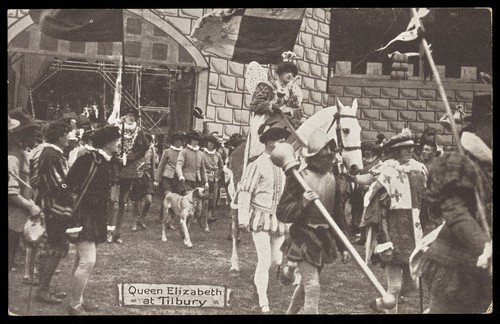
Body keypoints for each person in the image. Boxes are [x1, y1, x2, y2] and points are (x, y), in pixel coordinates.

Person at [414, 94, 492, 313]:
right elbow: (456, 213)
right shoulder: (459, 162)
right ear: (482, 126)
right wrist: (485, 246)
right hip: (455, 264)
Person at [276, 128, 350, 314]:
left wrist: (343, 246)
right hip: (303, 235)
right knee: (312, 285)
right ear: (314, 157)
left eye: (331, 156)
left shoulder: (334, 179)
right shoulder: (299, 178)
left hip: (324, 237)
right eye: (325, 156)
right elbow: (282, 213)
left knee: (305, 285)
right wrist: (303, 202)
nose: (330, 159)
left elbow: (338, 215)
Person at [362, 128, 428, 314]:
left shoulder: (418, 172)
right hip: (392, 234)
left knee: (413, 284)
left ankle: (379, 304)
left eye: (411, 148)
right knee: (395, 287)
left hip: (413, 234)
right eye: (405, 148)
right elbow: (379, 212)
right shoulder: (387, 175)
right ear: (396, 151)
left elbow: (423, 205)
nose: (410, 151)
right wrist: (384, 240)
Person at [65, 126, 121, 315]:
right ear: (107, 142)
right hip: (82, 215)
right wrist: (65, 203)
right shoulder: (88, 159)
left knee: (81, 259)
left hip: (96, 217)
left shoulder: (108, 162)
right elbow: (67, 183)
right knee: (88, 261)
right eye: (117, 140)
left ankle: (78, 300)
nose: (120, 143)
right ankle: (74, 305)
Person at [237, 127, 290, 313]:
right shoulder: (257, 164)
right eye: (279, 140)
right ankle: (263, 299)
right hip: (260, 217)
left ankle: (257, 280)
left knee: (277, 261)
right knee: (265, 260)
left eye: (283, 141)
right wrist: (242, 218)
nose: (282, 144)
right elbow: (245, 191)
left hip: (279, 219)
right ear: (268, 142)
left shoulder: (285, 165)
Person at [35, 121, 74, 304]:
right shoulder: (51, 155)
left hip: (55, 206)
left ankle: (45, 287)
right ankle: (43, 290)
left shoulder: (53, 153)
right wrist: (74, 185)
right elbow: (60, 183)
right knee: (55, 247)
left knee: (56, 247)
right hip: (53, 208)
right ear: (59, 136)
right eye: (66, 134)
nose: (68, 137)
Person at [247, 53, 303, 162]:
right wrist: (272, 105)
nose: (290, 75)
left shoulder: (291, 91)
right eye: (287, 71)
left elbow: (299, 111)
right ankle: (257, 156)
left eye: (292, 72)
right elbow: (254, 104)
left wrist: (291, 110)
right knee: (265, 134)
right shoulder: (266, 85)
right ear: (280, 73)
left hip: (287, 121)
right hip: (266, 118)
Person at [8, 109, 42, 272]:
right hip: (12, 214)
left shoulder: (22, 155)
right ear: (19, 136)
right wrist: (30, 206)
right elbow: (11, 194)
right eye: (31, 134)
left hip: (18, 217)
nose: (35, 138)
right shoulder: (12, 158)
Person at [110, 107, 150, 244]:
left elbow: (144, 147)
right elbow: (108, 142)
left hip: (129, 168)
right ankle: (108, 229)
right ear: (125, 116)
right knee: (112, 199)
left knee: (122, 201)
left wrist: (131, 157)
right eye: (129, 115)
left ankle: (117, 232)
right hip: (114, 166)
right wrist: (115, 156)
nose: (131, 118)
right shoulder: (117, 128)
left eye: (134, 116)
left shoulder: (138, 132)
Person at [176, 130, 209, 230]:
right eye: (194, 140)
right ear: (190, 140)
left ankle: (197, 222)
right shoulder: (184, 151)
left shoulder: (201, 153)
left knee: (199, 206)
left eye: (197, 140)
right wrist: (181, 176)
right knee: (188, 204)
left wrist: (206, 181)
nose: (195, 142)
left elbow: (202, 169)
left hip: (198, 182)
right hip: (187, 181)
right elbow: (179, 165)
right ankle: (185, 227)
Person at [155, 131, 185, 228]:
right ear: (173, 141)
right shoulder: (167, 152)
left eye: (180, 141)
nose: (178, 143)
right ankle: (164, 217)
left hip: (178, 178)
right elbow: (161, 165)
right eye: (176, 141)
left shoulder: (184, 152)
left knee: (175, 200)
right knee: (168, 197)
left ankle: (170, 220)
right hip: (167, 177)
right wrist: (157, 179)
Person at [130, 133, 158, 231]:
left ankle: (141, 219)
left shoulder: (152, 150)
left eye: (148, 141)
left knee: (149, 200)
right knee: (136, 200)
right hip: (137, 176)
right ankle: (134, 222)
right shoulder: (136, 149)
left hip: (148, 176)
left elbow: (154, 165)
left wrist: (155, 179)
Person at [201, 134, 224, 226]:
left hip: (214, 179)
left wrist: (217, 174)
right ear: (206, 143)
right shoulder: (202, 153)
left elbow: (221, 166)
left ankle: (208, 216)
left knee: (213, 200)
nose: (211, 144)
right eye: (209, 142)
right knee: (205, 199)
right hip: (204, 178)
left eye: (213, 143)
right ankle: (205, 218)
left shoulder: (217, 154)